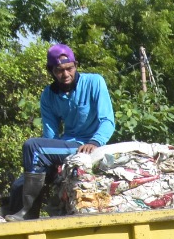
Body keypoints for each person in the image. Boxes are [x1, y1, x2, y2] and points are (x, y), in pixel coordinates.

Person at [8, 44, 116, 221]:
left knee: (32, 146)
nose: (65, 74)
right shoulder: (48, 95)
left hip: (86, 145)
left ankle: (29, 213)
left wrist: (95, 141)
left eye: (69, 68)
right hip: (66, 145)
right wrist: (52, 163)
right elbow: (50, 136)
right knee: (19, 185)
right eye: (59, 70)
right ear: (51, 71)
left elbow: (108, 121)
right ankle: (14, 223)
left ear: (76, 65)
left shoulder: (94, 82)